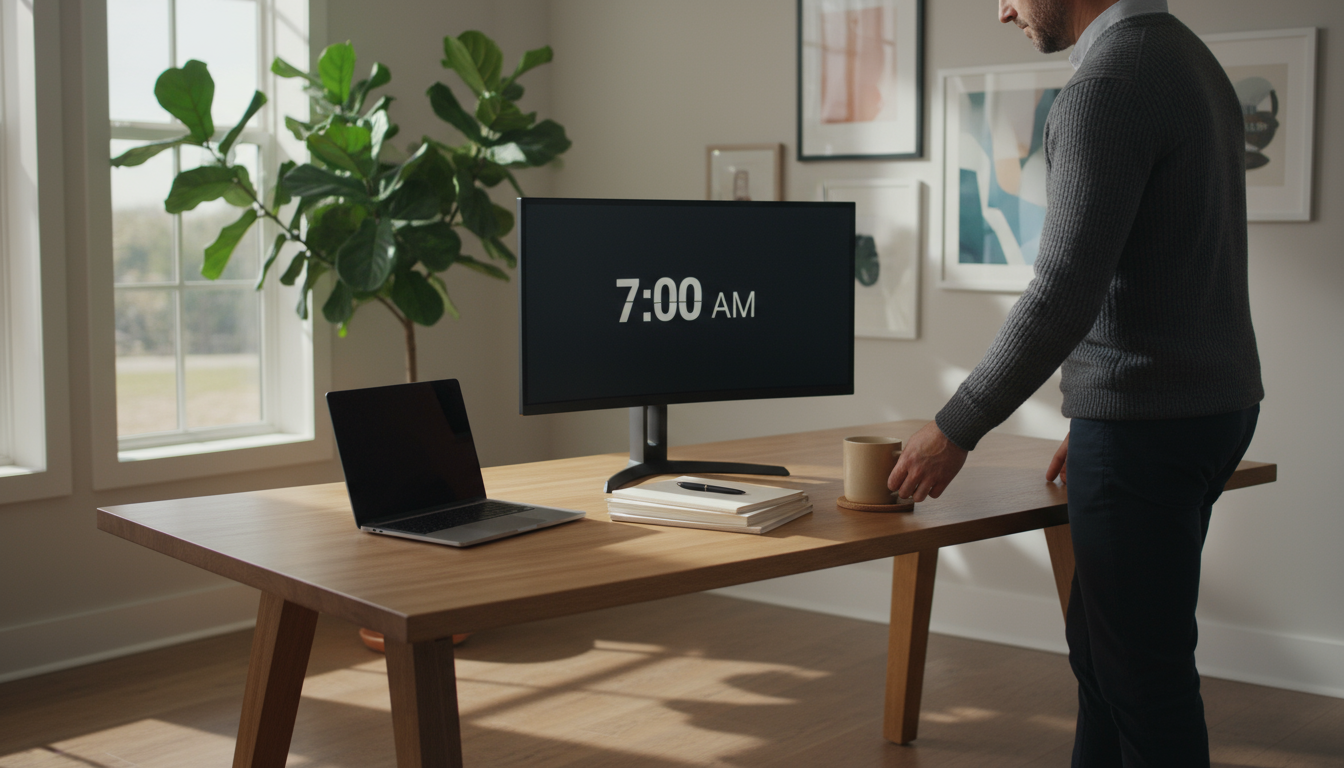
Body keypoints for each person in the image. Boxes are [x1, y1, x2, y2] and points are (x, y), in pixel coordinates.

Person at [888, 0, 1264, 765]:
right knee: (1105, 662)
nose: (1002, 11)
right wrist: (1093, 412)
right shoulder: (1186, 59)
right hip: (1203, 410)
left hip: (1147, 427)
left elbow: (1063, 290)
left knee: (1141, 682)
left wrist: (955, 425)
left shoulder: (1107, 85)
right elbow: (1165, 263)